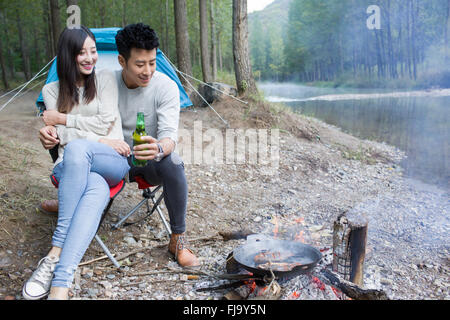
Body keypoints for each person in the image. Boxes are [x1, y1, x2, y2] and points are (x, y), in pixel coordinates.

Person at [38, 23, 200, 268]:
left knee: (174, 161)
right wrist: (51, 129)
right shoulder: (105, 81)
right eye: (139, 64)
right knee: (73, 152)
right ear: (122, 62)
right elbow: (75, 123)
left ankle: (178, 239)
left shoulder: (165, 87)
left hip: (145, 160)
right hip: (108, 158)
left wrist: (158, 148)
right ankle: (68, 201)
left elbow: (169, 136)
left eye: (152, 62)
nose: (148, 71)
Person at [23, 26, 130, 300]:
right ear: (67, 55)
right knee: (95, 187)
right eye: (81, 52)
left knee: (79, 148)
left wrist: (61, 120)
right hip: (73, 166)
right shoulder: (51, 90)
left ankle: (55, 249)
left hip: (112, 162)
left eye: (93, 51)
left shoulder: (105, 79)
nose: (90, 58)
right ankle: (60, 282)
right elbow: (66, 139)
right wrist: (101, 140)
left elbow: (104, 121)